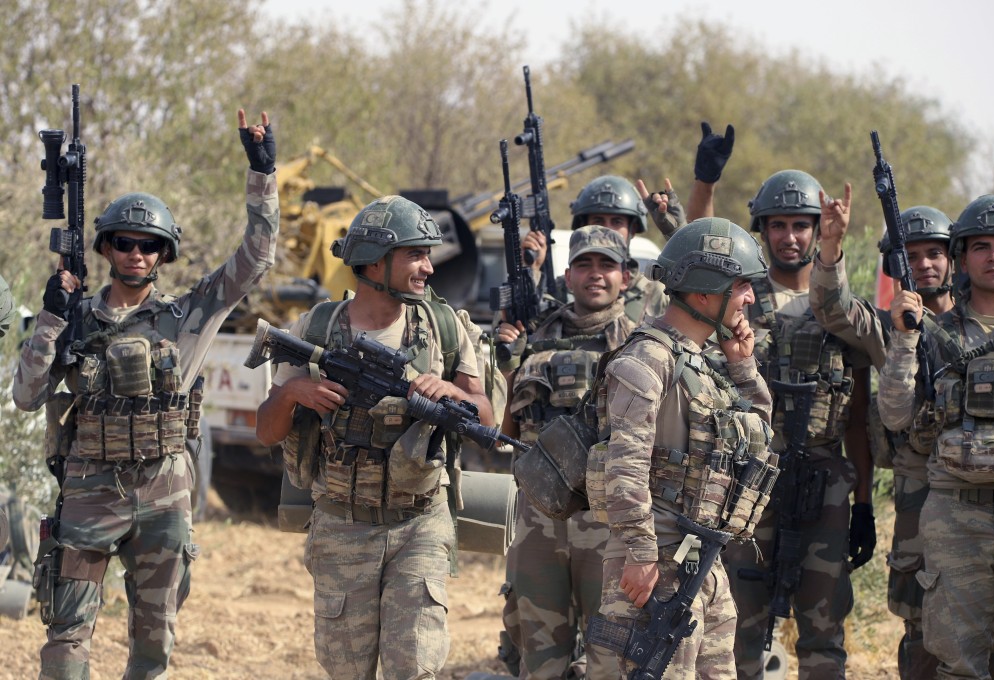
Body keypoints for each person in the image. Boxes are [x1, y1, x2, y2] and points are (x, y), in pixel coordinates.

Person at [13, 109, 278, 679]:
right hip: (88, 494)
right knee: (65, 640)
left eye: (150, 245)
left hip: (164, 498)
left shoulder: (188, 315)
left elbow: (255, 258)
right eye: (126, 243)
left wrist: (262, 173)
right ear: (107, 247)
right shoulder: (76, 317)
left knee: (154, 647)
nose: (137, 254)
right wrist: (51, 321)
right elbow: (27, 394)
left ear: (164, 253)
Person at [254, 195, 493, 680]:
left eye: (427, 254)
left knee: (415, 668)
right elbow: (266, 431)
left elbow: (485, 415)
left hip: (419, 524)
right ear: (373, 262)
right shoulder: (317, 327)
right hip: (342, 527)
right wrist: (294, 392)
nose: (428, 266)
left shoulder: (443, 326)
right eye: (415, 255)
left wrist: (450, 391)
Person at [585, 216, 775, 678]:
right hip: (656, 566)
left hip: (701, 564)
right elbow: (624, 465)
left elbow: (760, 444)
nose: (749, 298)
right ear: (707, 292)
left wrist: (743, 368)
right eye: (742, 285)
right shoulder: (647, 360)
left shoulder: (706, 364)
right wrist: (642, 551)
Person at [722, 171, 885, 679]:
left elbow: (857, 418)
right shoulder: (739, 305)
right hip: (749, 481)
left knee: (823, 628)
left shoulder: (840, 312)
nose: (789, 236)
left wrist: (863, 507)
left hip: (824, 486)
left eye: (800, 225)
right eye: (778, 225)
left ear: (817, 232)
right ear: (762, 230)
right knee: (737, 625)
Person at [878, 194, 994, 679]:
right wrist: (903, 340)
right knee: (957, 663)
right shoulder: (934, 333)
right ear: (963, 258)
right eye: (982, 246)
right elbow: (897, 415)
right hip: (956, 516)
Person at [496, 225, 636, 679]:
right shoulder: (531, 338)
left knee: (611, 660)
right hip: (539, 524)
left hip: (609, 524)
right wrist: (506, 364)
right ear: (568, 275)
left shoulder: (642, 343)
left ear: (625, 278)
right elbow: (502, 432)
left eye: (606, 265)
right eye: (584, 265)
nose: (595, 275)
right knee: (538, 661)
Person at [524, 121, 735, 323]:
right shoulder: (561, 291)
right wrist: (531, 270)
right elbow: (518, 332)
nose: (606, 230)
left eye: (616, 221)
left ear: (633, 230)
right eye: (598, 221)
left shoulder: (656, 295)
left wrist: (680, 232)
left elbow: (705, 292)